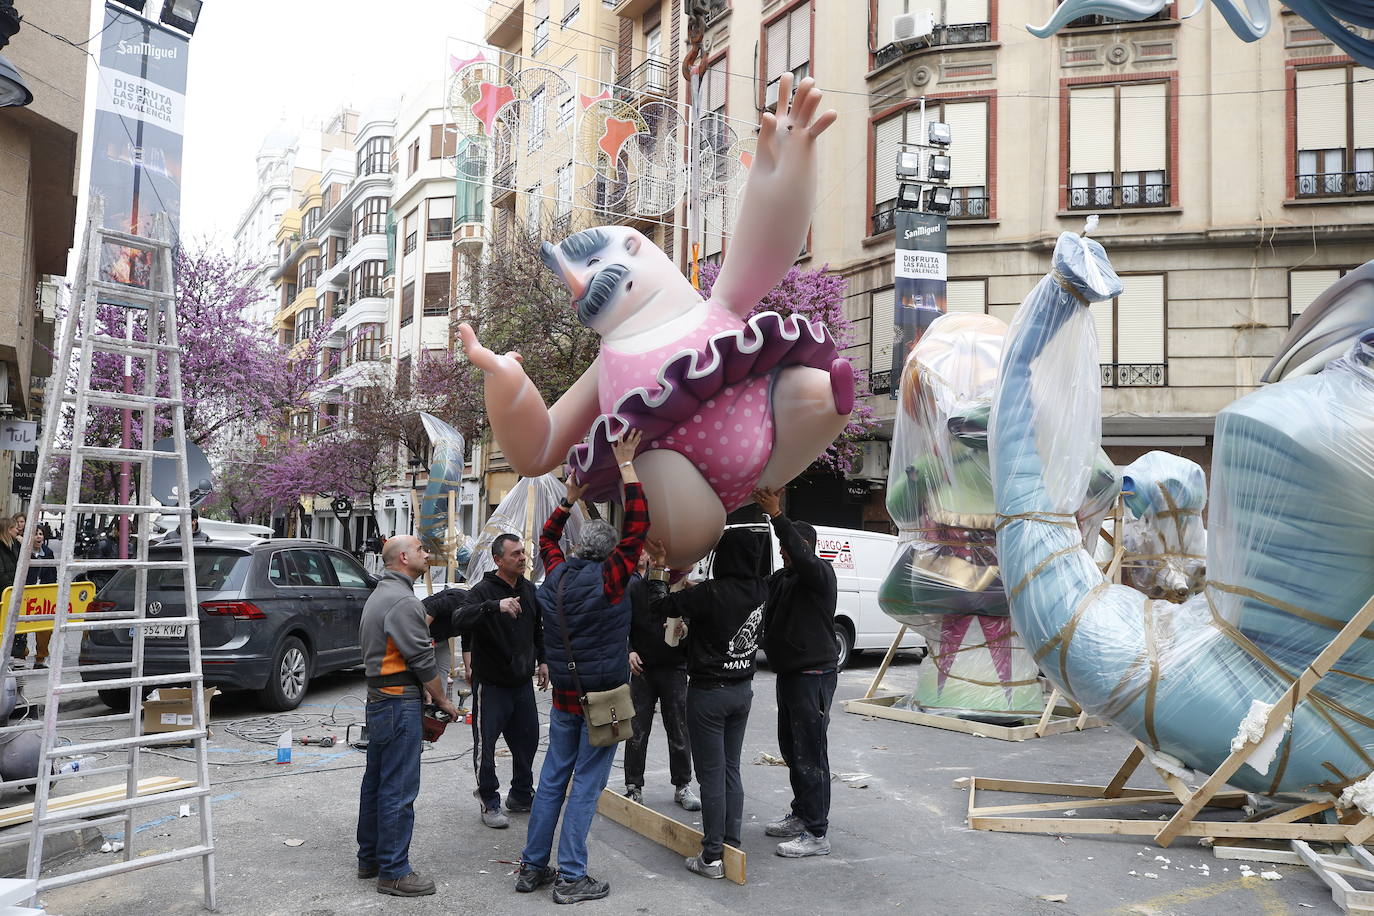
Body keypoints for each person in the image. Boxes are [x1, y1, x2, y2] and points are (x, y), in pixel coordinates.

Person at [514, 430, 648, 905]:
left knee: (553, 777)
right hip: (607, 697)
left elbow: (546, 538)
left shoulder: (556, 576)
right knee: (588, 783)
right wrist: (627, 464)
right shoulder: (614, 578)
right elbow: (636, 526)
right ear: (611, 553)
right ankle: (572, 875)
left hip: (566, 694)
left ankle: (533, 866)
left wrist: (567, 500)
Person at [644, 529, 767, 879]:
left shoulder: (710, 594)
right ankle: (730, 841)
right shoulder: (761, 589)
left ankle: (712, 857)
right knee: (731, 768)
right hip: (742, 691)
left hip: (709, 694)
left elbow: (659, 605)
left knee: (711, 774)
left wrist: (658, 570)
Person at [356, 534, 459, 898]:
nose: (426, 553)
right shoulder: (403, 601)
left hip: (382, 700)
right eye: (420, 549)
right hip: (399, 703)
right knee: (399, 788)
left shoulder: (380, 596)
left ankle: (370, 858)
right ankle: (394, 872)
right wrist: (443, 700)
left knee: (378, 782)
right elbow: (421, 659)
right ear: (403, 557)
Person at [424, 534, 548, 830]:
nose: (522, 558)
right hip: (491, 686)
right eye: (516, 554)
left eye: (523, 553)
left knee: (527, 743)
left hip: (522, 685)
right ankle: (489, 801)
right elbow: (461, 618)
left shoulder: (530, 590)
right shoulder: (481, 591)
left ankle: (520, 795)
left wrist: (543, 660)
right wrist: (496, 606)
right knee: (487, 747)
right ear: (498, 559)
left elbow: (538, 630)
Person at [753, 487, 838, 858]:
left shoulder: (818, 574)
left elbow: (800, 554)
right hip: (789, 676)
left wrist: (776, 515)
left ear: (802, 545)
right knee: (792, 749)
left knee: (810, 752)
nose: (782, 551)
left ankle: (817, 834)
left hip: (812, 676)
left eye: (787, 545)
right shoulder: (784, 578)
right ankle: (801, 813)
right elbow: (749, 589)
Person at [622, 552, 698, 812]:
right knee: (636, 729)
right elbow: (624, 625)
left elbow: (695, 623)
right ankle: (633, 786)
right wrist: (629, 650)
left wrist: (685, 630)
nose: (656, 563)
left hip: (675, 667)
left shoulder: (683, 587)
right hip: (642, 667)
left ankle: (682, 784)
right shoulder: (635, 588)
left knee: (678, 728)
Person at [26, 527, 56, 668]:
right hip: (26, 594)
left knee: (45, 627)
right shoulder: (23, 551)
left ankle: (41, 657)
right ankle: (20, 654)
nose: (38, 537)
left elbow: (52, 574)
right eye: (35, 534)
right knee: (22, 625)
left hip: (43, 594)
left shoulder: (48, 552)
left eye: (40, 534)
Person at [1, 517, 23, 663]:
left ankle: (14, 658)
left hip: (13, 592)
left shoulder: (15, 544)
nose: (18, 529)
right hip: (5, 594)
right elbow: (1, 574)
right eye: (15, 527)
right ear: (8, 530)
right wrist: (12, 590)